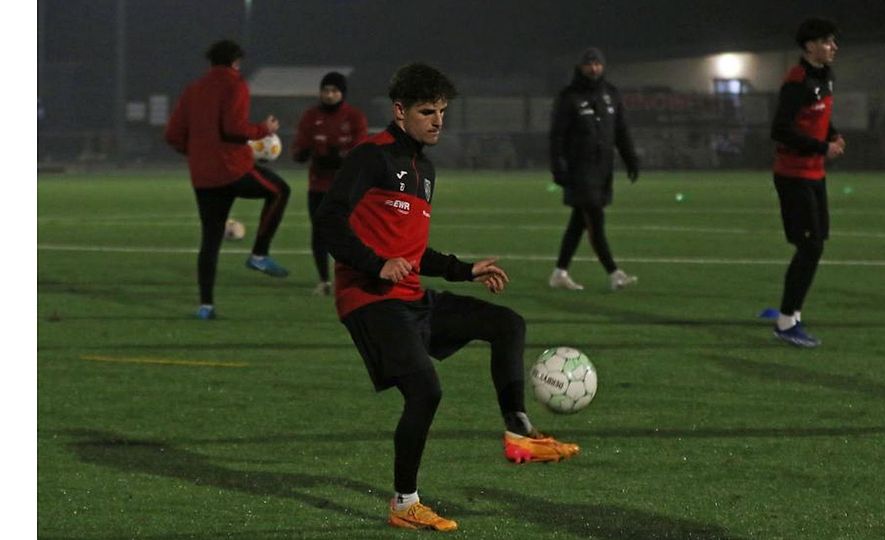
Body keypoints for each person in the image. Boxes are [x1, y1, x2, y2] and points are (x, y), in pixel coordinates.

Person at [315, 63, 580, 532]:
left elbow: (414, 251)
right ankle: (404, 503)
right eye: (426, 111)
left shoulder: (425, 169)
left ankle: (520, 433)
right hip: (370, 299)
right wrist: (375, 263)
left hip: (411, 297)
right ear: (399, 111)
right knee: (425, 390)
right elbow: (329, 221)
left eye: (442, 111)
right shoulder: (370, 158)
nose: (438, 120)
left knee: (507, 324)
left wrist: (464, 269)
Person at [165, 39, 291, 320]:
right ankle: (259, 254)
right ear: (236, 62)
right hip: (232, 168)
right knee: (280, 191)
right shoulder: (235, 84)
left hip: (203, 176)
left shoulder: (193, 89)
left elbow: (172, 135)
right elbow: (234, 128)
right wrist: (264, 129)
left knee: (210, 239)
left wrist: (197, 152)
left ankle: (206, 306)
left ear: (210, 62)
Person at [770, 18, 845, 347]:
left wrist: (832, 134)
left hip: (815, 174)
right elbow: (781, 130)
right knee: (810, 246)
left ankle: (792, 315)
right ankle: (786, 322)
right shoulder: (797, 80)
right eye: (827, 41)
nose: (834, 47)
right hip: (793, 174)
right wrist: (821, 147)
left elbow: (818, 117)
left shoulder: (824, 76)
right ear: (810, 46)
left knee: (814, 244)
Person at [548, 47, 641, 291]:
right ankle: (614, 272)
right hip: (579, 170)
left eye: (598, 64)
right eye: (589, 64)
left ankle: (559, 272)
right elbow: (557, 136)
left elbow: (621, 131)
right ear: (580, 67)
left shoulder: (611, 94)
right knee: (595, 219)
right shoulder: (569, 96)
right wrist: (558, 166)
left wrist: (631, 158)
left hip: (603, 170)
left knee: (579, 221)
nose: (594, 68)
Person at [292, 72, 369, 296]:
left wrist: (339, 160)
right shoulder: (310, 116)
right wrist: (303, 153)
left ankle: (355, 277)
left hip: (347, 187)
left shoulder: (354, 116)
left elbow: (361, 151)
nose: (329, 95)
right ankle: (324, 280)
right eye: (325, 90)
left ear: (342, 93)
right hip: (318, 186)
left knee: (351, 233)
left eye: (334, 91)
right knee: (319, 233)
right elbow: (299, 148)